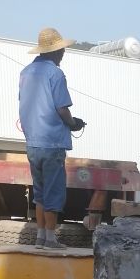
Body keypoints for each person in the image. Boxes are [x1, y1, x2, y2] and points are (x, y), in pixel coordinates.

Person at [19, 27, 85, 249]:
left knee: (39, 193)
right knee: (53, 192)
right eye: (62, 50)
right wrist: (73, 123)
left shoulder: (26, 73)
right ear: (55, 51)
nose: (63, 53)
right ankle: (50, 239)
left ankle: (40, 238)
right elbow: (61, 108)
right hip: (52, 142)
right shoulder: (55, 74)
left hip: (33, 143)